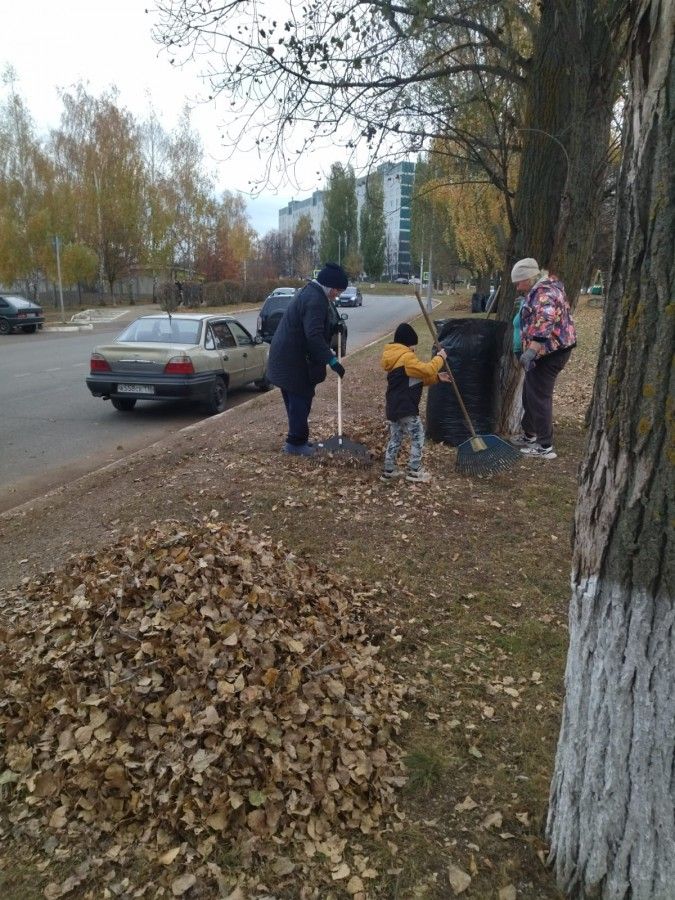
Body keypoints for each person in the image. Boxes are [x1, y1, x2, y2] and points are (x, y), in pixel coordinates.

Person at [267, 262, 348, 456]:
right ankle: (295, 443)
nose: (337, 294)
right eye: (337, 290)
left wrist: (332, 327)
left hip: (287, 358)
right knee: (300, 399)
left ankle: (297, 439)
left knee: (297, 400)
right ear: (330, 286)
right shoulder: (315, 300)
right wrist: (332, 360)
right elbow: (312, 336)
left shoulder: (312, 293)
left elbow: (313, 328)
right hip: (293, 361)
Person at [510, 257, 577, 459]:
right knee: (530, 393)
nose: (516, 286)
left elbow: (545, 321)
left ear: (529, 278)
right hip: (550, 350)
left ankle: (544, 446)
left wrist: (531, 351)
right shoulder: (541, 290)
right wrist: (526, 303)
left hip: (550, 352)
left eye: (519, 282)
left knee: (539, 397)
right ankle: (530, 435)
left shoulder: (544, 293)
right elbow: (543, 312)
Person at [380, 322, 451, 483]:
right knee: (418, 435)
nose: (414, 349)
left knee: (396, 437)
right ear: (407, 343)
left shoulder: (394, 358)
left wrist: (438, 378)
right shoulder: (406, 357)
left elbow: (414, 380)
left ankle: (388, 470)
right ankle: (414, 470)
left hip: (393, 406)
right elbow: (427, 369)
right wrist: (440, 358)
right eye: (413, 346)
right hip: (406, 406)